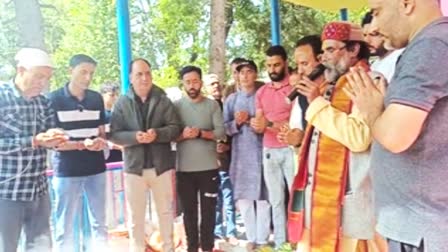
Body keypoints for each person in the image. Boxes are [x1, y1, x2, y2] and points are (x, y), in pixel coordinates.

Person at [346, 0, 448, 251]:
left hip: (423, 227)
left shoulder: (431, 45)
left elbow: (395, 137)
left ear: (406, 3)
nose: (376, 26)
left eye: (377, 12)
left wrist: (371, 109)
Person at [288, 21, 376, 252]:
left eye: (329, 50)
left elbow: (359, 137)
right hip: (316, 198)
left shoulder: (368, 82)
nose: (323, 58)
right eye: (322, 51)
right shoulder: (330, 86)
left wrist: (317, 103)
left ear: (353, 49)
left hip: (346, 206)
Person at [110, 58, 181, 252]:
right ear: (131, 78)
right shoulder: (122, 103)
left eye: (148, 73)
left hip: (161, 166)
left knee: (166, 214)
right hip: (134, 168)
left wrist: (157, 134)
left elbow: (175, 128)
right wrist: (135, 137)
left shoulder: (163, 99)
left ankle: (169, 249)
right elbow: (114, 133)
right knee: (135, 218)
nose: (144, 78)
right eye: (139, 74)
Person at [0, 48, 67, 252]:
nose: (42, 82)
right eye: (38, 76)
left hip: (39, 189)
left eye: (46, 78)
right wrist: (33, 141)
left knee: (41, 246)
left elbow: (51, 131)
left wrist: (56, 137)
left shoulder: (43, 102)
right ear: (20, 70)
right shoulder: (2, 98)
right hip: (7, 192)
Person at [49, 54, 108, 251]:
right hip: (67, 170)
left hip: (96, 168)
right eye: (83, 71)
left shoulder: (96, 98)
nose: (88, 77)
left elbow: (101, 132)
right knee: (64, 226)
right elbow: (55, 142)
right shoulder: (54, 99)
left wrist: (100, 141)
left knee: (99, 223)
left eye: (91, 73)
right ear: (70, 71)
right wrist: (84, 144)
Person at [175, 66, 225, 252]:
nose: (192, 85)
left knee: (209, 212)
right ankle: (191, 248)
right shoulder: (176, 106)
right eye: (188, 82)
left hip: (209, 168)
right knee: (188, 213)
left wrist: (201, 133)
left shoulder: (212, 105)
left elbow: (221, 132)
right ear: (183, 84)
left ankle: (208, 247)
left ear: (201, 82)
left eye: (195, 81)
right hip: (184, 170)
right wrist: (183, 135)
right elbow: (170, 135)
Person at [223, 60, 271, 250]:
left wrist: (252, 120)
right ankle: (251, 237)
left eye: (249, 71)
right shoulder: (232, 100)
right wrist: (237, 123)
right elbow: (223, 128)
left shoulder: (264, 96)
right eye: (241, 72)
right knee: (244, 199)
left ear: (255, 74)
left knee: (263, 198)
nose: (245, 75)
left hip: (262, 152)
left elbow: (271, 120)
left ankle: (262, 239)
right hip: (241, 156)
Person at [250, 45, 294, 248]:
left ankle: (298, 240)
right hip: (269, 150)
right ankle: (280, 242)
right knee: (276, 200)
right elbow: (260, 125)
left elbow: (295, 125)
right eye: (269, 65)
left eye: (276, 64)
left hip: (292, 149)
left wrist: (268, 124)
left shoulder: (295, 87)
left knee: (297, 197)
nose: (273, 69)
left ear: (285, 63)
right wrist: (256, 124)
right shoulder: (261, 92)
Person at [203, 74, 238, 245]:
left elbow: (232, 133)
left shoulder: (227, 106)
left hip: (227, 160)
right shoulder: (203, 109)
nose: (216, 86)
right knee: (214, 199)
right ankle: (217, 231)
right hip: (208, 162)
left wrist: (227, 146)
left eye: (218, 83)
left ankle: (231, 231)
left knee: (229, 197)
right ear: (205, 87)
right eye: (211, 84)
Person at [278, 35, 324, 148]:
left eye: (304, 64)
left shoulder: (340, 89)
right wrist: (298, 138)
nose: (300, 71)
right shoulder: (303, 97)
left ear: (322, 60)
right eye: (297, 65)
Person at [361, 10, 403, 82]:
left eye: (373, 35)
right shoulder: (375, 63)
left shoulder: (400, 58)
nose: (367, 40)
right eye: (364, 35)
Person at [100, 82, 122, 163]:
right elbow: (102, 137)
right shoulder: (100, 115)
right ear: (103, 95)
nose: (115, 97)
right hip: (107, 157)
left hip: (120, 156)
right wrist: (118, 146)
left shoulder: (118, 113)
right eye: (112, 95)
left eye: (117, 95)